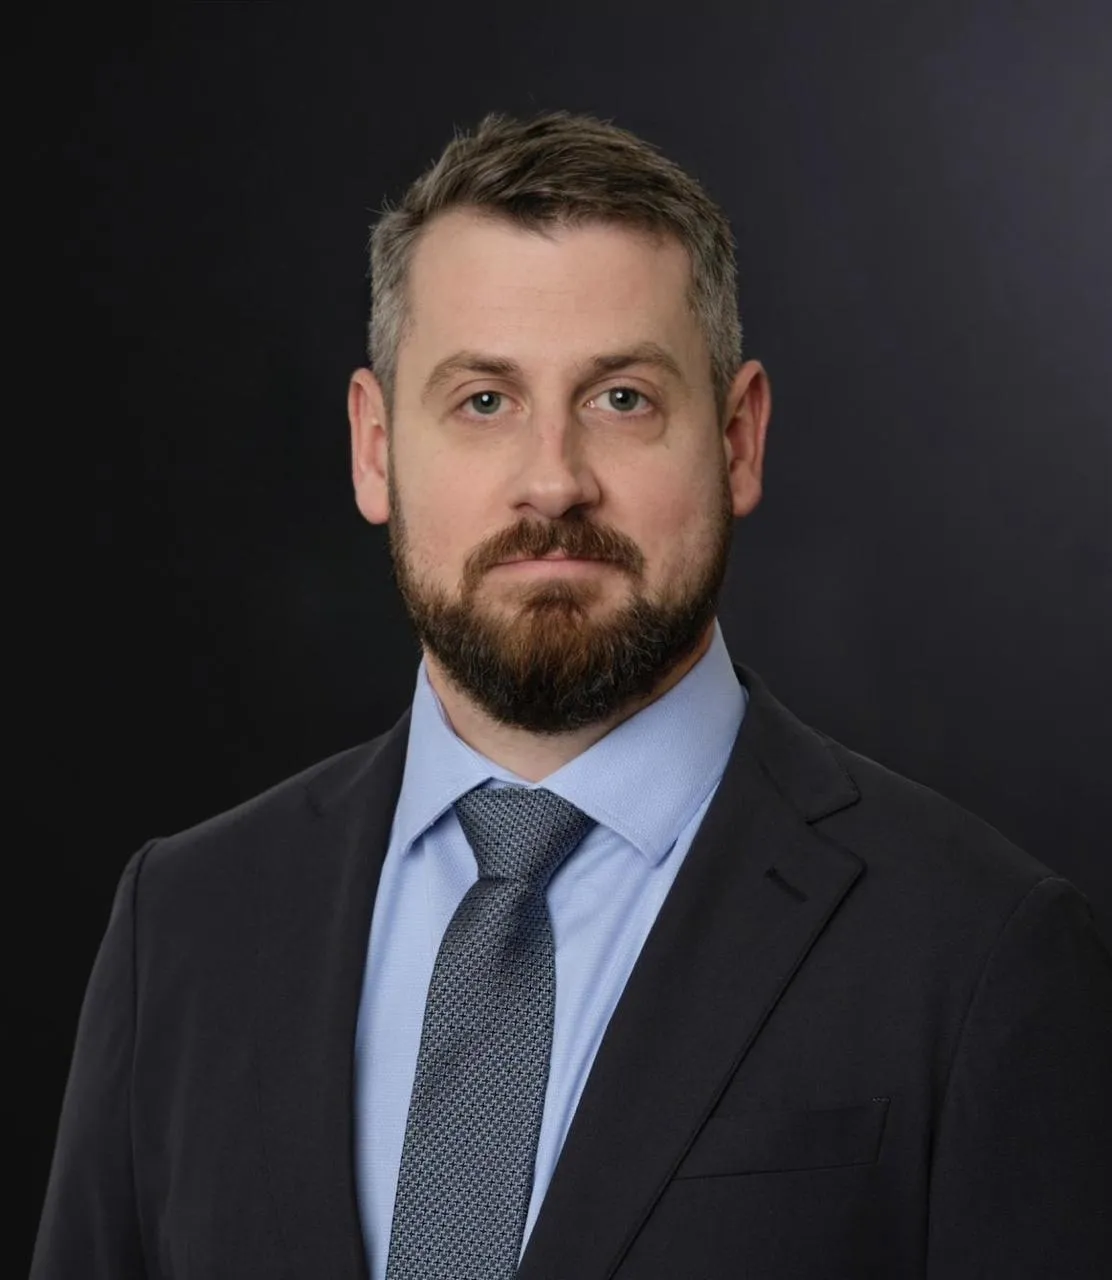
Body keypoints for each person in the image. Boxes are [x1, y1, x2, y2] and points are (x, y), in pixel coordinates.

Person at [33, 110, 1111, 1280]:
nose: (552, 480)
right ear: (373, 446)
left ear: (738, 438)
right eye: (483, 401)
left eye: (621, 399)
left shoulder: (977, 951)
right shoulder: (185, 923)